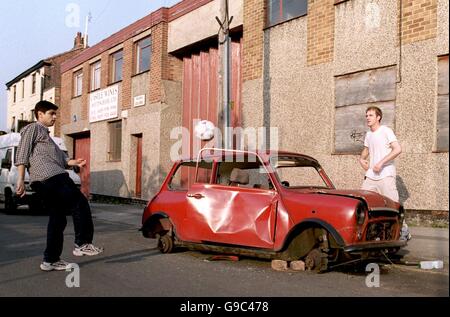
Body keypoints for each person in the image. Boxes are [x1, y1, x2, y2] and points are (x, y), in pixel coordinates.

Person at [15, 100, 103, 272]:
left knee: (58, 218)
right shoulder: (33, 128)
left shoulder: (48, 138)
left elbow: (62, 161)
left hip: (48, 179)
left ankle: (50, 260)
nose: (55, 117)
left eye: (55, 114)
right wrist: (20, 179)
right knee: (80, 202)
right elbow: (22, 153)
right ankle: (82, 243)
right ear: (40, 114)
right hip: (51, 178)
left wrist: (73, 162)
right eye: (51, 113)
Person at [359, 106, 411, 241]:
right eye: (366, 115)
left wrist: (381, 162)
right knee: (363, 203)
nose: (367, 118)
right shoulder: (369, 134)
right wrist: (361, 159)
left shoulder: (386, 131)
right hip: (371, 175)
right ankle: (372, 233)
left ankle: (403, 230)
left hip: (386, 174)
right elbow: (366, 150)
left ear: (378, 117)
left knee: (393, 205)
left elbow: (398, 149)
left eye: (370, 115)